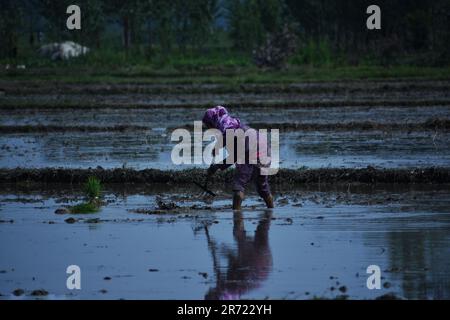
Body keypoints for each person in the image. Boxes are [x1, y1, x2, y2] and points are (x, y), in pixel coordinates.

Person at [202, 106, 274, 210]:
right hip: (264, 150)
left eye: (209, 125)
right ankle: (271, 211)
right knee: (262, 187)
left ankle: (236, 216)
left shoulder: (229, 131)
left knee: (238, 185)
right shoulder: (234, 125)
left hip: (250, 152)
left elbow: (235, 155)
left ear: (214, 122)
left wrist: (216, 166)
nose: (209, 129)